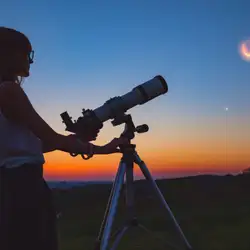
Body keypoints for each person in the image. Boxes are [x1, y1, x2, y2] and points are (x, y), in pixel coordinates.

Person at [0, 27, 128, 250]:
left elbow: (38, 144)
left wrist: (77, 137)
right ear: (8, 53)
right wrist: (103, 149)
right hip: (22, 186)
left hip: (15, 184)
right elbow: (53, 139)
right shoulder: (9, 91)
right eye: (27, 54)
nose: (30, 61)